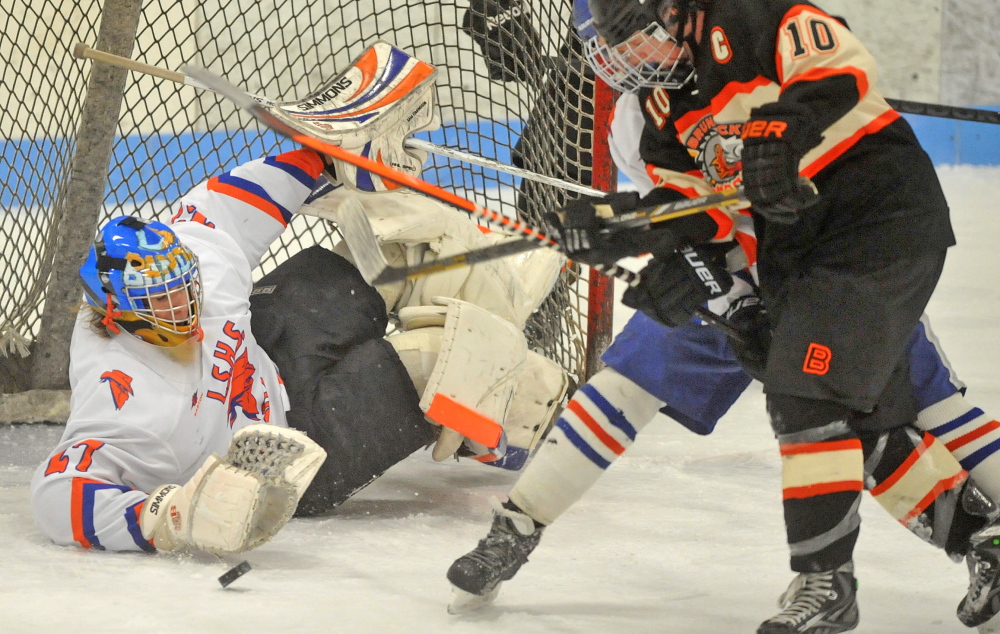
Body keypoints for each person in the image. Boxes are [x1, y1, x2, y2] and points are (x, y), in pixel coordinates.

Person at [446, 1, 1000, 631]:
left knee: (898, 403)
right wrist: (629, 233)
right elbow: (692, 208)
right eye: (613, 47)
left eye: (633, 42)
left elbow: (830, 73)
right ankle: (518, 524)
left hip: (838, 244)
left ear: (674, 14)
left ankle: (960, 540)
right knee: (637, 379)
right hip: (747, 270)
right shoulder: (644, 114)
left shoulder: (749, 22)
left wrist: (780, 132)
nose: (624, 60)